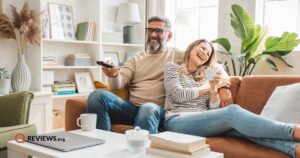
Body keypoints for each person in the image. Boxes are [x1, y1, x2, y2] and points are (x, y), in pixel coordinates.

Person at [163, 39, 300, 157]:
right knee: (232, 112)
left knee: (244, 129)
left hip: (202, 122)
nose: (204, 53)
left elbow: (212, 109)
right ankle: (293, 130)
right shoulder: (172, 67)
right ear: (192, 47)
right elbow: (178, 95)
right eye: (203, 48)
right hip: (176, 120)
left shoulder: (207, 75)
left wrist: (212, 90)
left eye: (208, 53)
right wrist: (210, 87)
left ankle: (293, 149)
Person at [86, 16, 183, 134]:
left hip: (157, 111)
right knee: (97, 96)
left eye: (158, 31)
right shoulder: (135, 59)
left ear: (169, 36)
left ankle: (141, 150)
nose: (153, 34)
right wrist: (114, 75)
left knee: (148, 108)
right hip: (132, 109)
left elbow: (203, 59)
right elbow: (119, 83)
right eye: (150, 30)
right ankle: (101, 142)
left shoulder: (178, 55)